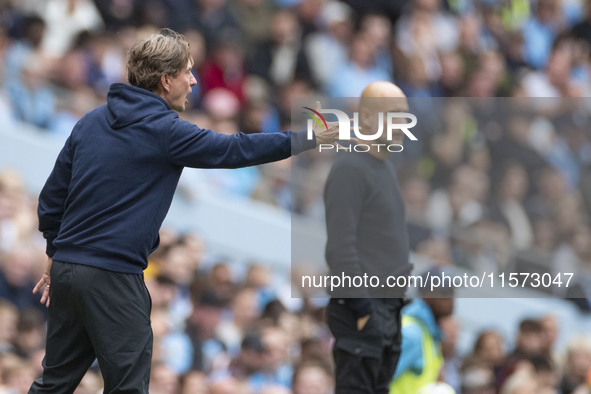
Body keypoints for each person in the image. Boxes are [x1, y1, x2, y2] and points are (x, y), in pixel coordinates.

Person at [29, 28, 339, 394]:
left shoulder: (91, 121)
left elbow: (52, 198)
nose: (194, 81)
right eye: (187, 72)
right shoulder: (166, 131)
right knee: (128, 386)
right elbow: (235, 149)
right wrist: (308, 137)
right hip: (113, 276)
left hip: (67, 269)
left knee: (54, 384)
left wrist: (54, 251)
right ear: (165, 80)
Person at [323, 81, 413, 394]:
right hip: (365, 310)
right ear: (368, 118)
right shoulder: (350, 167)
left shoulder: (384, 168)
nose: (404, 123)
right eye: (395, 115)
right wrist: (363, 310)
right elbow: (340, 248)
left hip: (387, 311)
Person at [389, 269, 455, 393]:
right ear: (427, 294)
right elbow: (380, 379)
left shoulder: (428, 333)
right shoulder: (413, 333)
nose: (452, 301)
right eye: (445, 294)